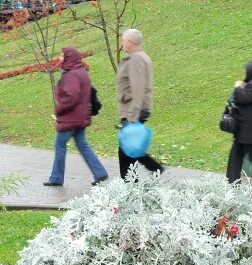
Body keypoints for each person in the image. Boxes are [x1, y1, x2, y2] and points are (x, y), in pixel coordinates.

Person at [43, 47, 108, 187]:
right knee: (82, 145)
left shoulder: (71, 75)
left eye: (62, 55)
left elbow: (71, 96)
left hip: (70, 118)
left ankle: (56, 178)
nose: (60, 57)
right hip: (81, 117)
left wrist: (59, 108)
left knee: (60, 145)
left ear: (69, 57)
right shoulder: (81, 72)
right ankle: (99, 172)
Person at [116, 28, 163, 178]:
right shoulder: (140, 57)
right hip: (135, 108)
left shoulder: (136, 59)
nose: (122, 43)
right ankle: (151, 170)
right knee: (130, 147)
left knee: (127, 149)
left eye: (123, 40)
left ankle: (132, 183)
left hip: (133, 109)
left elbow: (137, 88)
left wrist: (132, 116)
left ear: (130, 42)